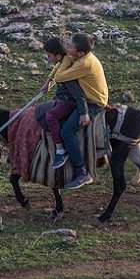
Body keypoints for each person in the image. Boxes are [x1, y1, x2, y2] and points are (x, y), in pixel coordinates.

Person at [51, 33, 108, 190]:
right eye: (68, 44)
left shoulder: (84, 64)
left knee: (67, 131)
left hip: (93, 103)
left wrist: (68, 58)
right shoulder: (82, 58)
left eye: (71, 47)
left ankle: (82, 171)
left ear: (81, 53)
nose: (67, 48)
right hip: (89, 98)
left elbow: (60, 76)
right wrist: (70, 56)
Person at [40, 37, 86, 168]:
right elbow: (56, 68)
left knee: (51, 116)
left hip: (69, 101)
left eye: (49, 56)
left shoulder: (67, 71)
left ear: (58, 55)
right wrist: (48, 82)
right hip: (62, 97)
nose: (47, 58)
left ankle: (60, 150)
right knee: (49, 105)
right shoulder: (63, 61)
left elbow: (76, 92)